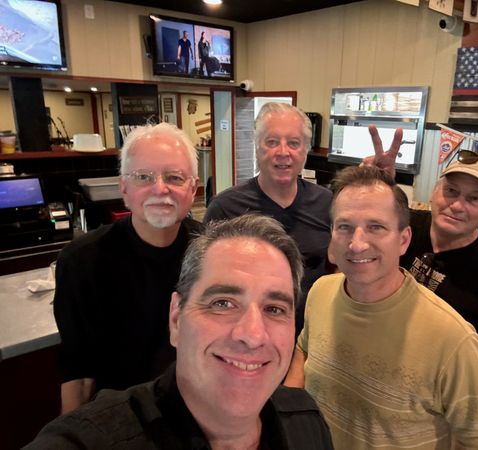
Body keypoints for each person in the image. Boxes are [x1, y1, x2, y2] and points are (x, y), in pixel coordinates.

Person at [27, 216, 334, 450]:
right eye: (223, 303)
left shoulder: (307, 423)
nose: (253, 335)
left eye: (274, 309)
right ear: (176, 318)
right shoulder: (90, 440)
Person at [285, 165, 478, 449]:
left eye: (376, 227)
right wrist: (287, 420)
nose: (356, 244)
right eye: (344, 226)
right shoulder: (320, 292)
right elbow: (303, 352)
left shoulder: (455, 340)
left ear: (403, 240)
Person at [204, 104, 403, 336]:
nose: (283, 152)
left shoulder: (327, 203)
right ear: (257, 147)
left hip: (315, 333)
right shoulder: (225, 208)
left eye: (294, 143)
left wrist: (376, 185)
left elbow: (358, 252)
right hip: (249, 334)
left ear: (305, 151)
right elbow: (205, 282)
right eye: (272, 142)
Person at [53, 122, 204, 413]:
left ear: (193, 188)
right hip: (119, 416)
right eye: (144, 177)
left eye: (174, 177)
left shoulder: (210, 252)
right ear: (124, 188)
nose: (160, 189)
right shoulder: (81, 262)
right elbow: (78, 375)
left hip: (196, 410)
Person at [400, 149, 478, 377]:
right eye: (451, 191)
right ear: (433, 193)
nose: (457, 205)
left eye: (474, 198)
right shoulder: (405, 225)